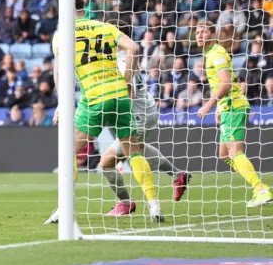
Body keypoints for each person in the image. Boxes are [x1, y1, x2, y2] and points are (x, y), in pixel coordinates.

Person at [45, 0, 164, 225]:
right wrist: (127, 81)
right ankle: (153, 204)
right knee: (133, 152)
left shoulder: (63, 34)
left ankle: (65, 208)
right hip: (120, 96)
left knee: (69, 150)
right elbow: (133, 48)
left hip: (95, 97)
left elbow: (60, 70)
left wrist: (62, 102)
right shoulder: (104, 26)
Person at [98, 22, 191, 217]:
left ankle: (126, 203)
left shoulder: (123, 63)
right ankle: (177, 174)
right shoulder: (125, 57)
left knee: (107, 163)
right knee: (138, 148)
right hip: (148, 111)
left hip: (138, 116)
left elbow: (128, 93)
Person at [195, 22, 273, 207]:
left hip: (234, 106)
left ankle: (260, 189)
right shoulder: (210, 54)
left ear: (213, 34)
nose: (199, 35)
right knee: (224, 154)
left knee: (235, 152)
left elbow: (226, 83)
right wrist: (219, 107)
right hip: (227, 106)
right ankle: (260, 187)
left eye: (204, 32)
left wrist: (209, 105)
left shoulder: (218, 53)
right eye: (197, 32)